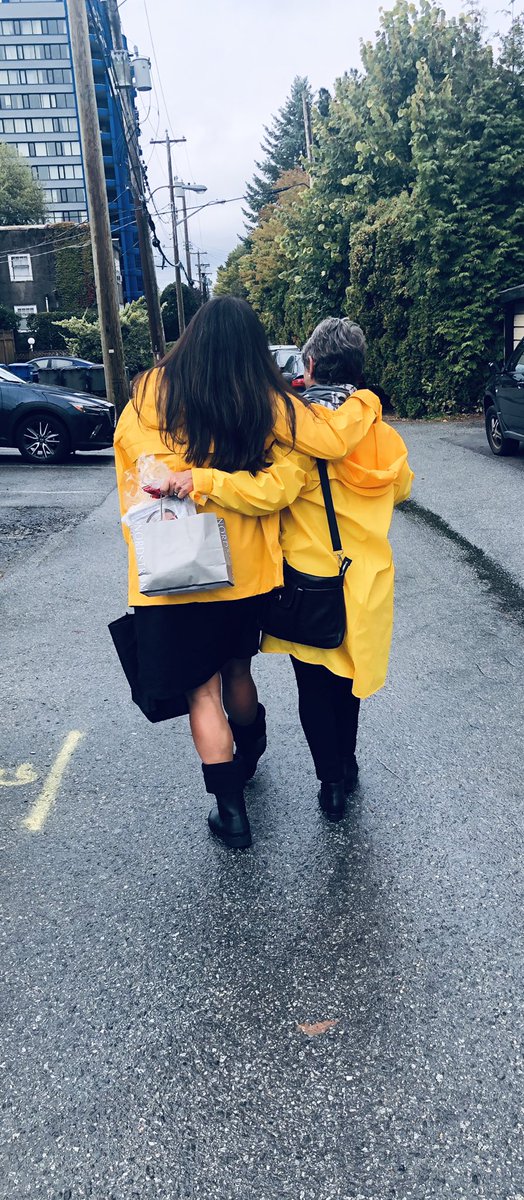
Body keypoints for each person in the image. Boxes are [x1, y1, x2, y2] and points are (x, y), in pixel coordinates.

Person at [113, 299, 382, 849]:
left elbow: (134, 475)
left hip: (171, 569)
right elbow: (317, 454)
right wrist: (366, 399)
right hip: (244, 573)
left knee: (201, 694)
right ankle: (252, 747)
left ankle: (231, 812)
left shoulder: (146, 397)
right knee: (236, 672)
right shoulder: (263, 399)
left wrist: (181, 483)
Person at [166, 317, 413, 823]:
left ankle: (331, 785)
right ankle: (347, 763)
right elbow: (402, 487)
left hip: (310, 581)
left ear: (311, 364)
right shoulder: (380, 431)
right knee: (347, 681)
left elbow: (269, 494)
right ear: (358, 370)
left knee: (314, 686)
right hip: (366, 579)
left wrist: (203, 480)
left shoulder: (298, 435)